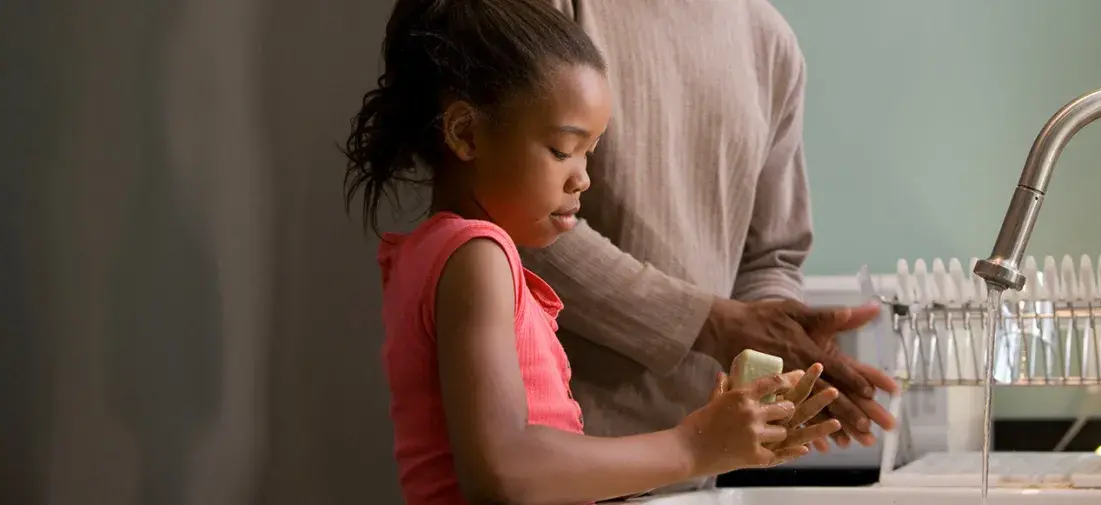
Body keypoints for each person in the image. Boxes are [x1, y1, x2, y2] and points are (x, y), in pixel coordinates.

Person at [341, 0, 842, 503]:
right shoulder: (476, 256)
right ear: (466, 133)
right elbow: (504, 471)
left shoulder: (442, 252)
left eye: (590, 152)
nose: (583, 178)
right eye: (563, 150)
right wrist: (695, 445)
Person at [519, 0, 900, 478]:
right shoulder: (552, 9)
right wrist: (714, 323)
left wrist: (780, 352)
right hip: (561, 460)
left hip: (705, 468)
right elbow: (519, 224)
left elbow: (770, 257)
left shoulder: (768, 39)